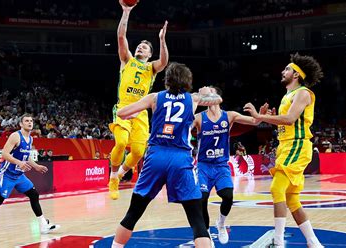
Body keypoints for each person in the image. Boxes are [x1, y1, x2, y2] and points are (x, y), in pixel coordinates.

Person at [111, 62, 221, 248]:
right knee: (197, 220)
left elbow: (121, 113)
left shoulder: (155, 97)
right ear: (187, 81)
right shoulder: (193, 99)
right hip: (180, 159)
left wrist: (132, 112)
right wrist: (207, 93)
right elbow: (217, 100)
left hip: (156, 157)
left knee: (133, 213)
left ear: (167, 80)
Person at [244, 53, 324, 248]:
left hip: (297, 144)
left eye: (287, 69)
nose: (283, 71)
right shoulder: (287, 96)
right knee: (292, 200)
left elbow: (289, 119)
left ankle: (278, 243)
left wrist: (260, 117)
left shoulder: (303, 93)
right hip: (286, 145)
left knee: (276, 188)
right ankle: (314, 243)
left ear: (296, 74)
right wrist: (267, 116)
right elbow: (283, 124)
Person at [108, 0, 169, 200]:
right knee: (121, 142)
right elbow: (120, 36)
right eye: (140, 46)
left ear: (149, 54)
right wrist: (126, 12)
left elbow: (164, 62)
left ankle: (122, 173)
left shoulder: (151, 68)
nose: (141, 48)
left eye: (145, 48)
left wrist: (161, 40)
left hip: (141, 111)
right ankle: (113, 177)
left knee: (138, 151)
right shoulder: (127, 60)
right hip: (124, 107)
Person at [193, 86, 264, 245]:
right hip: (204, 166)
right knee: (201, 199)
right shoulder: (198, 117)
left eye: (209, 91)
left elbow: (254, 121)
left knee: (228, 196)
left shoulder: (229, 116)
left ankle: (221, 223)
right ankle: (206, 234)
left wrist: (259, 114)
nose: (206, 94)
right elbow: (184, 126)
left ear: (216, 96)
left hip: (221, 165)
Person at [0, 114, 59, 241]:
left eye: (31, 121)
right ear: (21, 124)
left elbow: (26, 156)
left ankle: (43, 225)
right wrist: (19, 163)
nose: (29, 123)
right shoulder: (15, 136)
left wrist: (35, 166)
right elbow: (4, 154)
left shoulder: (30, 139)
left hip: (19, 175)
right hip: (7, 174)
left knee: (33, 194)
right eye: (26, 121)